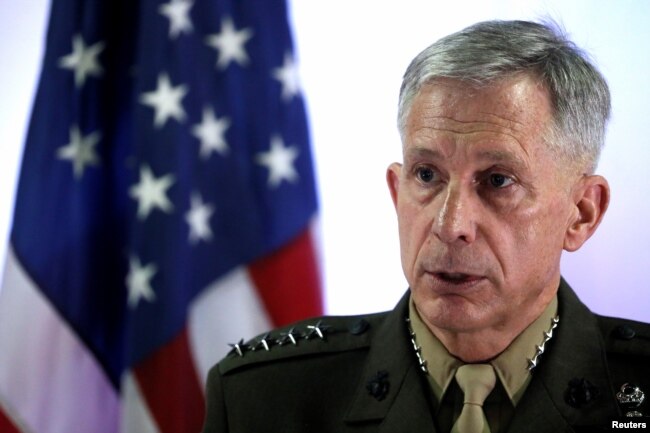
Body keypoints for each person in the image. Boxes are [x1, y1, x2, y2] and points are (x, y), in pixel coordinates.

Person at [201, 20, 650, 433]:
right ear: (397, 193)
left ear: (582, 213)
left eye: (498, 181)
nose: (450, 225)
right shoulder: (258, 399)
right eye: (427, 175)